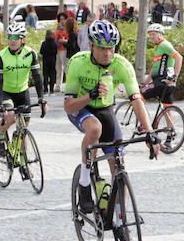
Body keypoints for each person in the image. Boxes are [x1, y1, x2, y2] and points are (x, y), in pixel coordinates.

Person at [64, 20, 159, 217]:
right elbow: (68, 106)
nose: (107, 53)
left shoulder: (122, 65)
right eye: (101, 48)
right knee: (94, 130)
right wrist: (90, 95)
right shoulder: (77, 63)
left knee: (119, 164)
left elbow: (136, 99)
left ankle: (118, 218)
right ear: (90, 46)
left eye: (111, 47)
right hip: (82, 106)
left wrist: (150, 131)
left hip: (105, 108)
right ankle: (84, 182)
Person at [0, 22, 48, 158]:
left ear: (23, 40)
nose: (12, 41)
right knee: (10, 117)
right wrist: (0, 105)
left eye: (16, 38)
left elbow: (37, 77)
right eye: (10, 37)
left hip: (23, 92)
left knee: (23, 129)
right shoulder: (1, 57)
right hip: (6, 92)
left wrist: (41, 99)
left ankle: (23, 160)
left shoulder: (30, 54)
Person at [140, 24, 184, 151]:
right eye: (150, 34)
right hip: (165, 82)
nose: (151, 37)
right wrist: (145, 83)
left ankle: (144, 125)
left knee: (138, 97)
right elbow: (154, 70)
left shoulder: (164, 45)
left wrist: (175, 75)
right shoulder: (158, 48)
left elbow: (178, 57)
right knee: (167, 108)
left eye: (153, 34)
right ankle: (169, 138)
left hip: (162, 82)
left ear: (160, 34)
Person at [39, 30, 58, 94]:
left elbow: (41, 52)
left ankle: (45, 89)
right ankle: (51, 89)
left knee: (45, 75)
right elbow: (56, 52)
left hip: (45, 60)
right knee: (52, 74)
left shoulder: (44, 43)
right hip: (53, 60)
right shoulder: (54, 43)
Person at [55, 20, 69, 92]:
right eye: (60, 19)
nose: (62, 21)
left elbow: (68, 41)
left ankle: (68, 85)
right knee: (58, 68)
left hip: (64, 49)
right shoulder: (57, 29)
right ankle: (58, 85)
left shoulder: (67, 30)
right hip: (57, 49)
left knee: (66, 67)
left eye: (63, 19)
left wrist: (64, 41)